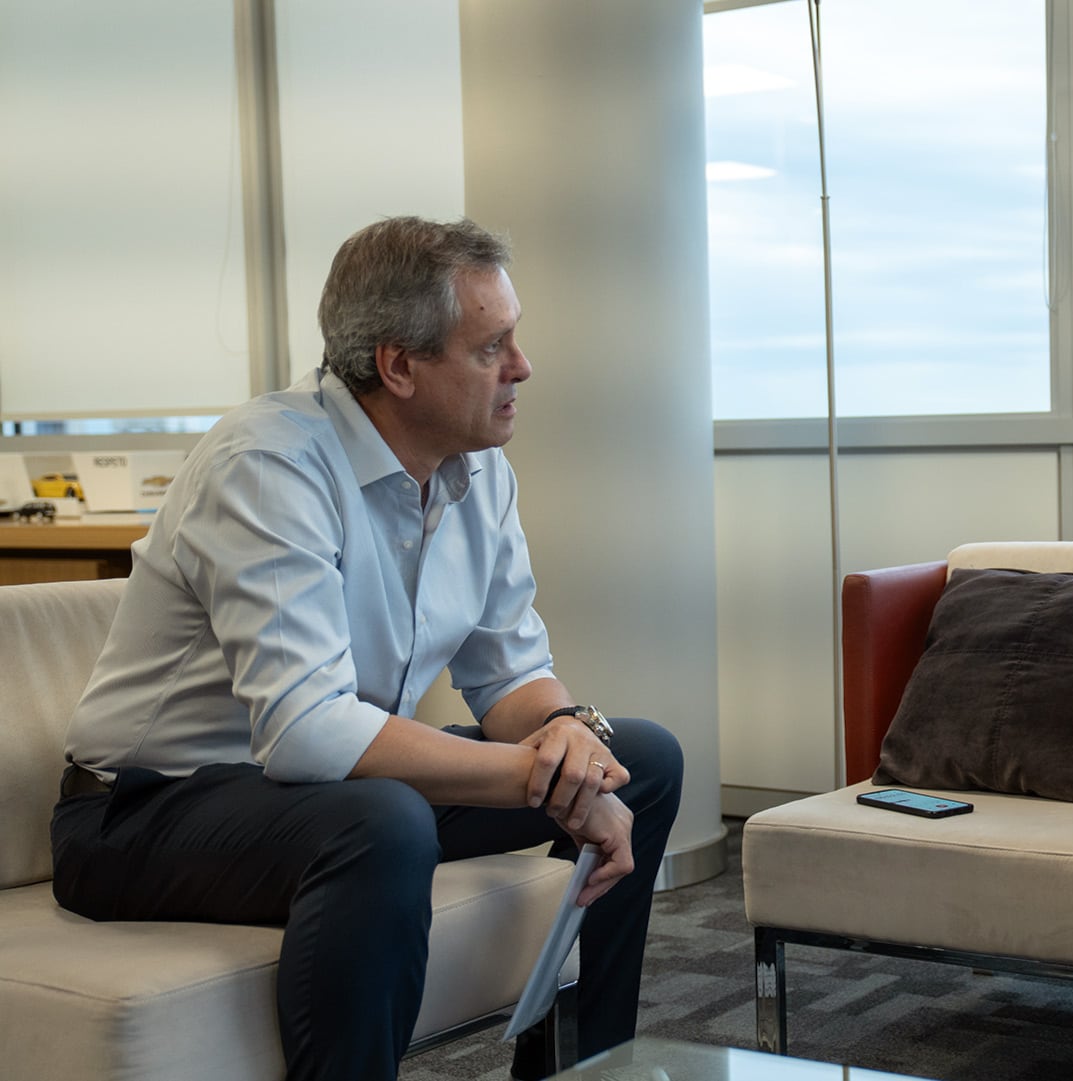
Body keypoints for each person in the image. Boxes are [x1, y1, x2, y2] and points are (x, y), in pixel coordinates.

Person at [52, 216, 684, 1081]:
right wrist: (540, 776)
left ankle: (581, 1072)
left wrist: (569, 733)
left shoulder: (476, 469)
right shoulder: (269, 462)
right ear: (398, 366)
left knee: (635, 759)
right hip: (144, 811)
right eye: (491, 346)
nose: (522, 365)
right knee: (384, 821)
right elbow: (308, 731)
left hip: (325, 793)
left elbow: (510, 675)